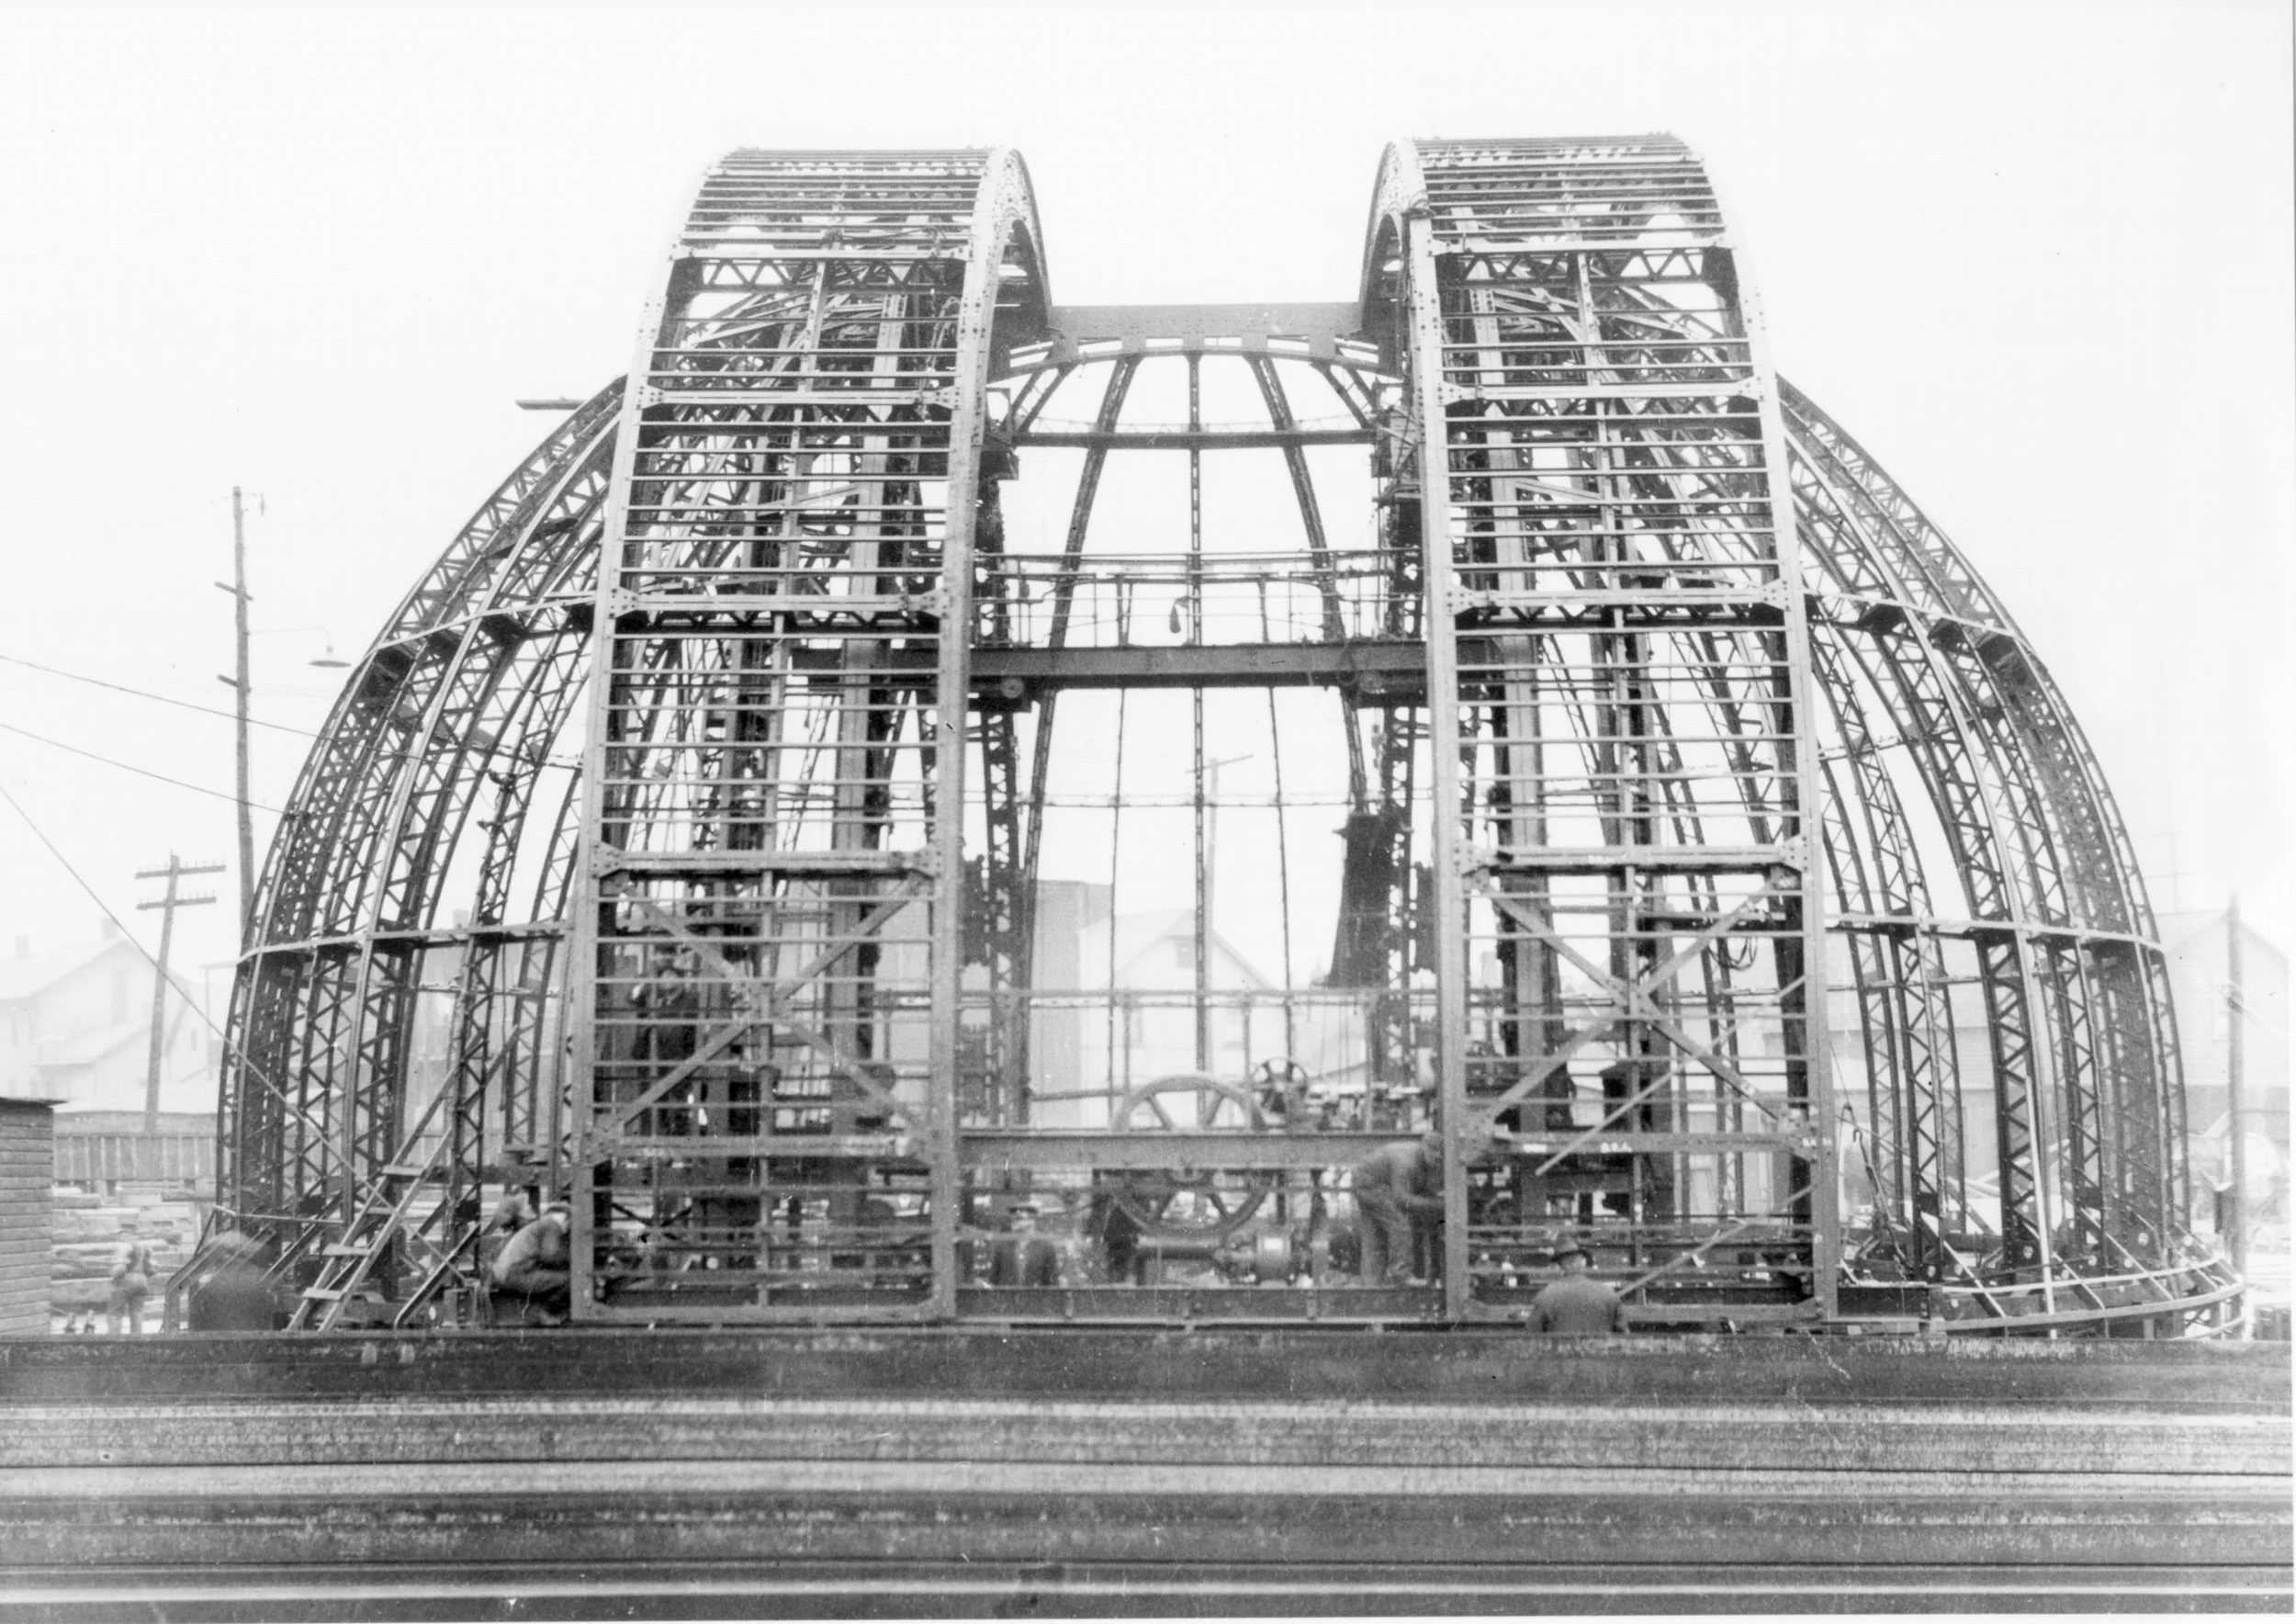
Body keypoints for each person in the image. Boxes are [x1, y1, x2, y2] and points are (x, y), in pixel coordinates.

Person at [1350, 1132, 1445, 1285]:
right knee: (1400, 1226)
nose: (1437, 1163)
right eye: (1436, 1159)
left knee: (1375, 1235)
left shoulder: (1420, 1157)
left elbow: (1421, 1185)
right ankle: (1402, 1275)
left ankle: (1372, 1284)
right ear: (1426, 1150)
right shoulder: (1406, 1162)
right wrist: (1436, 1204)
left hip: (1366, 1179)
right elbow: (1401, 1199)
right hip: (1370, 1183)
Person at [491, 1200, 573, 1319]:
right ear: (566, 1218)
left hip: (505, 1273)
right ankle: (547, 1312)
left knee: (555, 1276)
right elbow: (551, 1255)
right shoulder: (552, 1225)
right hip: (515, 1275)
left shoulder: (543, 1224)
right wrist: (574, 1260)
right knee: (570, 1280)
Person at [1525, 1237, 1626, 1333]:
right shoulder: (1608, 1294)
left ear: (1558, 1266)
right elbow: (1624, 1335)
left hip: (1560, 1350)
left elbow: (1532, 1335)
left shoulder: (1546, 1296)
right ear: (1582, 1262)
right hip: (1600, 1350)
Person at [186, 1231, 280, 1332]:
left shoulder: (205, 1289)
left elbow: (195, 1324)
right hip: (255, 1342)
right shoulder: (263, 1280)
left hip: (217, 1343)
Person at [988, 1201, 1063, 1288]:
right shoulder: (1002, 1245)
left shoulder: (1046, 1246)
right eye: (1013, 1218)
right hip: (1006, 1299)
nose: (1014, 1222)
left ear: (1032, 1221)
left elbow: (1052, 1283)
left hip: (1035, 1299)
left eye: (1019, 1218)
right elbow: (993, 1280)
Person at [106, 1228, 156, 1334]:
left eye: (119, 1235)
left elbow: (120, 1268)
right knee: (137, 1312)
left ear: (126, 1234)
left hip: (126, 1280)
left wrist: (114, 1278)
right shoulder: (145, 1247)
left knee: (115, 1313)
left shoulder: (123, 1246)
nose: (118, 1238)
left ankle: (113, 1341)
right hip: (142, 1281)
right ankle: (136, 1341)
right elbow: (152, 1268)